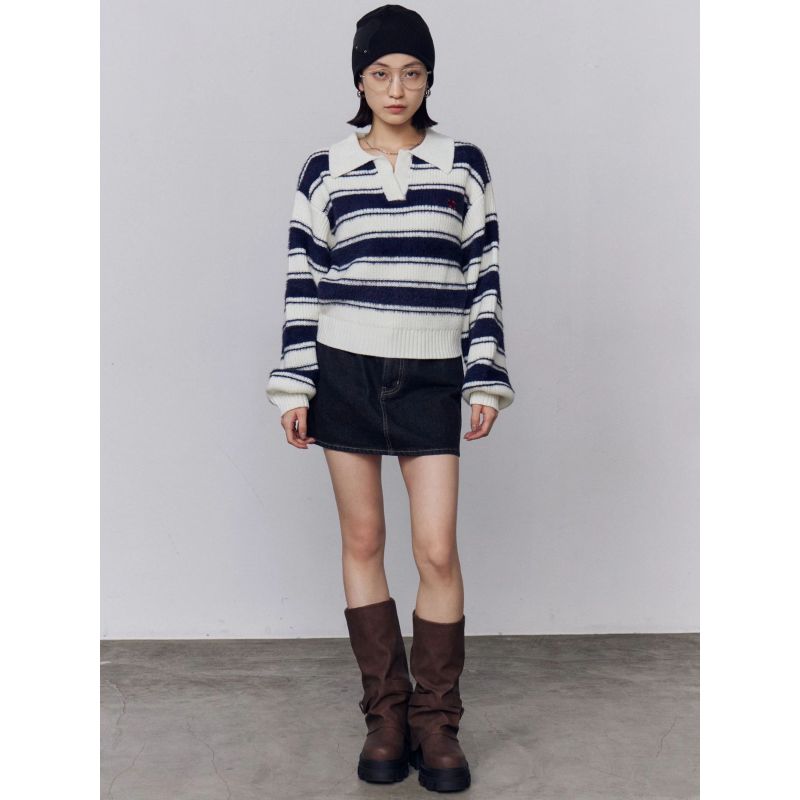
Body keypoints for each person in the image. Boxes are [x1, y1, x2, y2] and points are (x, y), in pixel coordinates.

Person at [265, 4, 514, 793]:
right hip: (344, 370)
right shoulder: (325, 167)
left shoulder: (463, 164)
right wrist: (294, 382)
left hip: (432, 374)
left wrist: (484, 373)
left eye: (411, 72)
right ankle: (387, 717)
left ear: (429, 78)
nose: (396, 88)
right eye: (381, 73)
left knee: (435, 549)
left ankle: (438, 723)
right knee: (364, 539)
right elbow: (304, 279)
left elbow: (483, 275)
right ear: (360, 79)